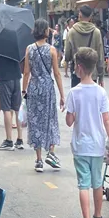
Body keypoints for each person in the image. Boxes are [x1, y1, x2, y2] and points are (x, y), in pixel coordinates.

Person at [65, 47, 109, 218]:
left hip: (80, 146)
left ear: (78, 67)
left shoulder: (74, 93)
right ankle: (98, 217)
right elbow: (107, 120)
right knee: (97, 182)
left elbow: (69, 121)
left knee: (83, 185)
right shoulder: (101, 92)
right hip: (97, 145)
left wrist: (74, 114)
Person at [23, 19, 65, 172]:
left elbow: (26, 72)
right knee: (50, 120)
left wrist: (24, 91)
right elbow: (57, 73)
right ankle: (51, 152)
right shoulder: (52, 50)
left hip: (34, 88)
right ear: (45, 31)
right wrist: (62, 94)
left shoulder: (29, 49)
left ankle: (39, 160)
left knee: (35, 122)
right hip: (48, 88)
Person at [64, 6, 105, 88]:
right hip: (91, 73)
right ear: (90, 17)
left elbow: (67, 55)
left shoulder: (72, 32)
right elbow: (100, 56)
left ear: (79, 15)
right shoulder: (96, 32)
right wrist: (101, 76)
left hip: (77, 72)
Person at [0, 52, 24, 150]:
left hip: (5, 79)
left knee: (6, 108)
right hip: (16, 78)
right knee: (17, 108)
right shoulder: (15, 51)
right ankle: (20, 139)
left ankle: (9, 140)